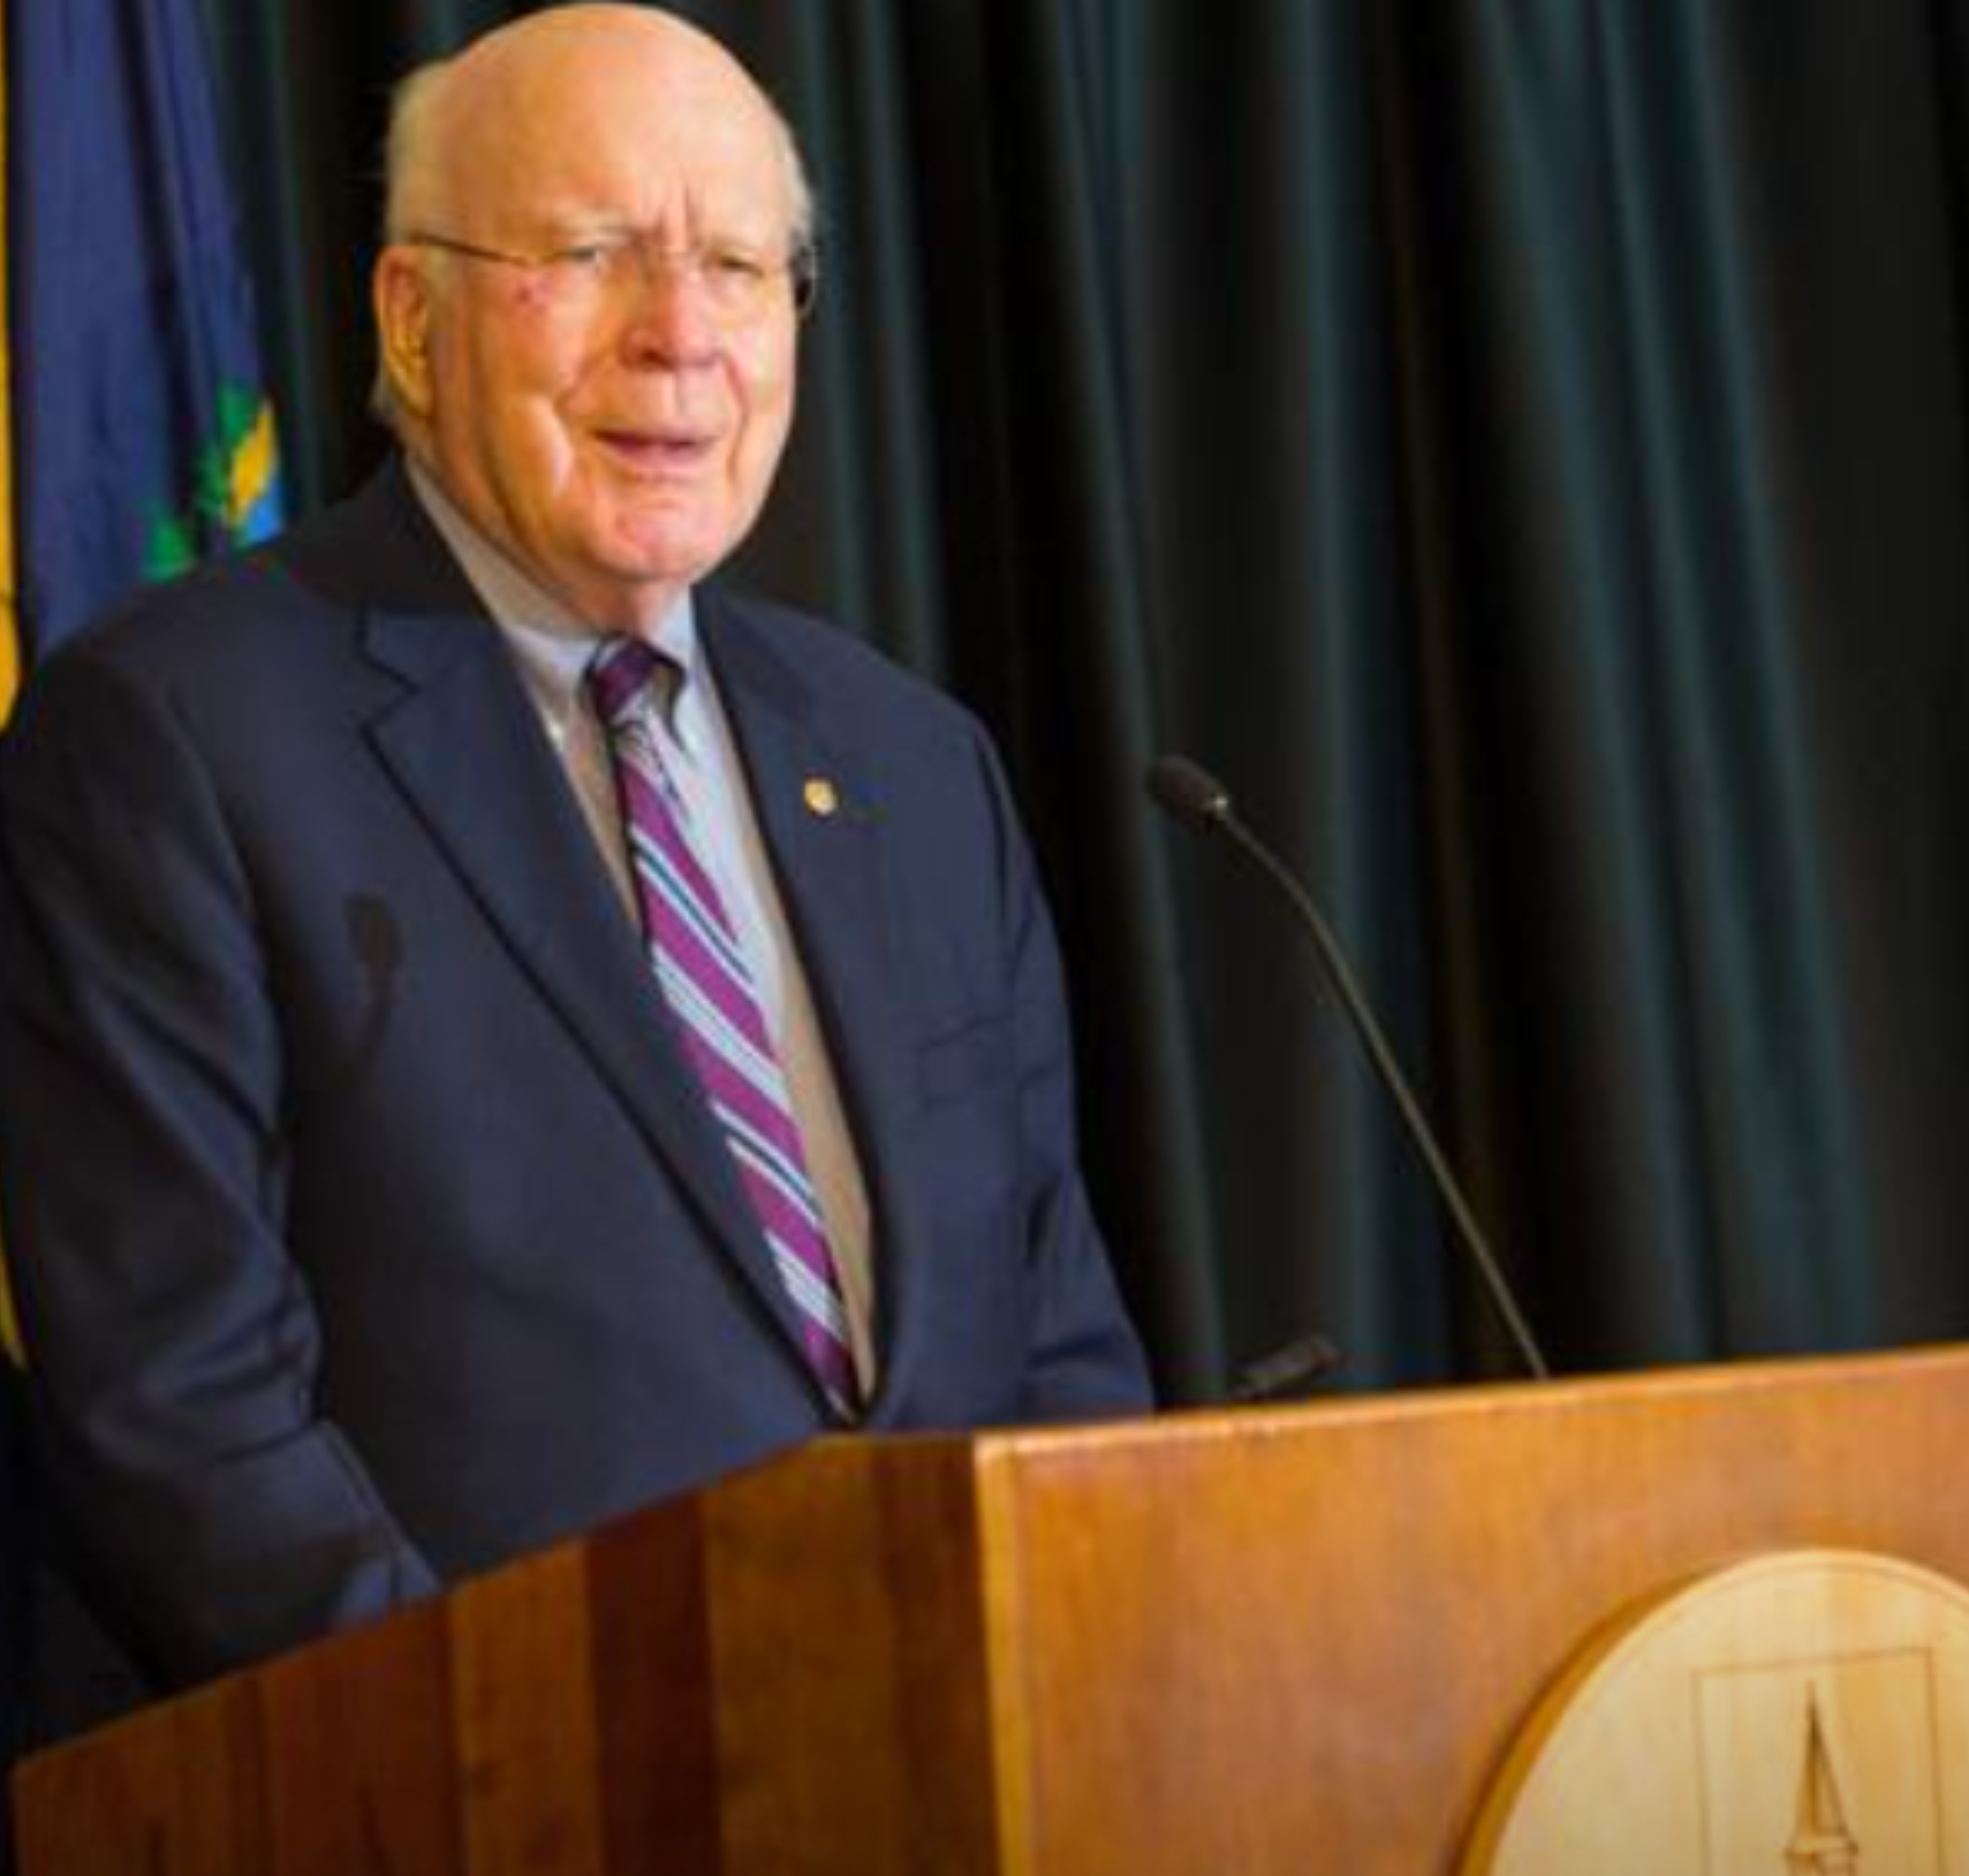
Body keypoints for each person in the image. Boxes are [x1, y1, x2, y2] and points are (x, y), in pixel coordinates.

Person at [0, 3, 1149, 1708]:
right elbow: (184, 1414)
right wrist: (519, 1765)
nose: (680, 335)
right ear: (414, 316)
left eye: (742, 268)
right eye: (594, 251)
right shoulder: (169, 736)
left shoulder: (912, 765)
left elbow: (1055, 1355)